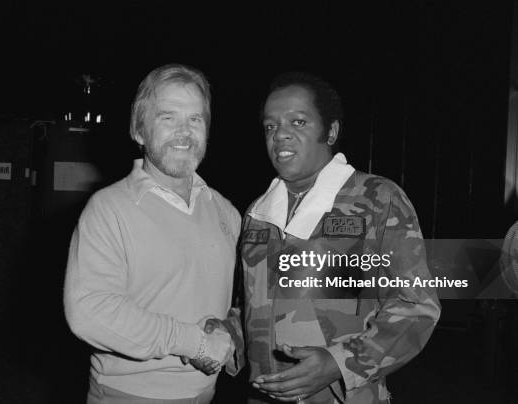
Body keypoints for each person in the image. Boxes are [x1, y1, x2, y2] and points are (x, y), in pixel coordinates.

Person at [239, 72, 442, 403]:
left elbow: (416, 306)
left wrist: (339, 363)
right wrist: (220, 335)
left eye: (298, 121)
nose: (280, 135)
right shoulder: (257, 213)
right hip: (266, 395)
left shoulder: (377, 199)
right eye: (270, 126)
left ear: (330, 131)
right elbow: (251, 305)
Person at [64, 64, 241, 403]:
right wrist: (194, 342)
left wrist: (231, 331)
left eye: (195, 119)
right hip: (128, 394)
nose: (184, 132)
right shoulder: (109, 208)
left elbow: (239, 300)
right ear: (140, 130)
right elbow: (88, 311)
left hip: (206, 392)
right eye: (168, 118)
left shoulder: (224, 211)